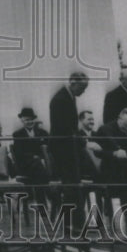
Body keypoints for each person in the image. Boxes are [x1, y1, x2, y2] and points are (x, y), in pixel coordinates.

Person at [49, 71, 89, 229]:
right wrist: (79, 140)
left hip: (69, 149)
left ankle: (74, 223)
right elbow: (64, 128)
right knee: (71, 187)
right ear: (73, 83)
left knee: (73, 187)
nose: (83, 91)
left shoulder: (67, 96)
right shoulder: (60, 99)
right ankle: (73, 224)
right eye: (83, 87)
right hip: (64, 151)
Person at [11, 107, 51, 185]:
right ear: (22, 121)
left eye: (31, 119)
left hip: (42, 162)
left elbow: (48, 147)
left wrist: (43, 158)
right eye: (27, 120)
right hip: (26, 164)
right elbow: (19, 153)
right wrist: (34, 157)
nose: (30, 122)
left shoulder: (43, 132)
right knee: (38, 167)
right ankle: (46, 193)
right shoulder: (18, 134)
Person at [77, 109, 103, 180]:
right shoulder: (78, 136)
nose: (92, 122)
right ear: (81, 120)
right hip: (84, 172)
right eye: (89, 119)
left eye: (92, 119)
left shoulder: (97, 135)